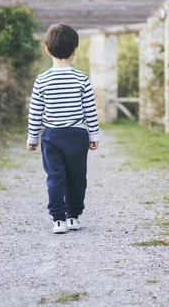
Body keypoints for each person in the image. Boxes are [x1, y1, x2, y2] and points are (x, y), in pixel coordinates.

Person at [27, 23, 100, 234]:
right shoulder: (81, 78)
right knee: (77, 177)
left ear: (47, 50)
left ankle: (58, 219)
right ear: (75, 51)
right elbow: (90, 110)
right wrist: (93, 134)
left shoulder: (42, 80)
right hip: (77, 135)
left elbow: (36, 112)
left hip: (51, 136)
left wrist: (33, 137)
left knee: (55, 177)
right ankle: (74, 216)